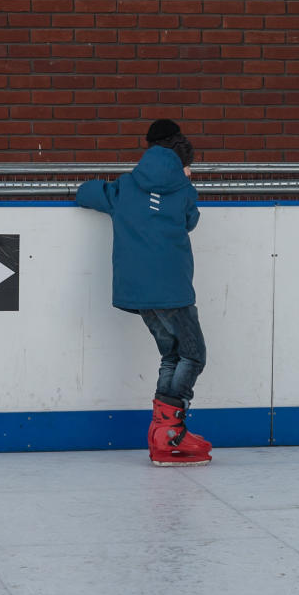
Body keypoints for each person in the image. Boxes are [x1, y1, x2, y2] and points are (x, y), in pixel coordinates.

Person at [75, 119, 212, 466]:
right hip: (173, 290)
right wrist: (181, 185)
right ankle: (169, 430)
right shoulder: (184, 191)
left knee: (172, 355)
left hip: (137, 292)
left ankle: (163, 433)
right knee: (193, 355)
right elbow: (190, 221)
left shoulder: (124, 187)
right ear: (184, 165)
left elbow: (85, 192)